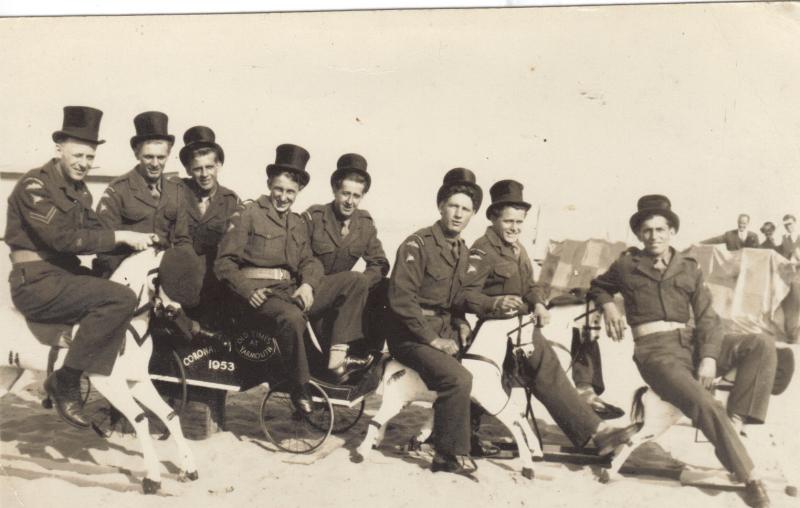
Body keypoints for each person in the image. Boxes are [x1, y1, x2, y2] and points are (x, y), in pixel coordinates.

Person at [588, 194, 775, 508]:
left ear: (672, 231)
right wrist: (608, 307)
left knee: (762, 344)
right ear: (638, 234)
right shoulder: (627, 264)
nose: (654, 236)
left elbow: (707, 318)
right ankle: (750, 476)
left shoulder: (688, 267)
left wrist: (710, 357)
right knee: (706, 402)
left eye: (661, 229)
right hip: (656, 352)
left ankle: (737, 422)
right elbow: (598, 284)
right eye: (647, 230)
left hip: (692, 342)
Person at [6, 106, 156, 428]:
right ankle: (67, 380)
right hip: (35, 281)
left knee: (127, 290)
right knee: (120, 299)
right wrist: (121, 236)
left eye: (89, 158)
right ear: (59, 148)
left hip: (63, 275)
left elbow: (99, 230)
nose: (83, 164)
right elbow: (62, 239)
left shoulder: (80, 191)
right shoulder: (35, 186)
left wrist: (142, 238)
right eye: (78, 155)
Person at [466, 180, 639, 459]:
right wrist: (494, 302)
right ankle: (598, 432)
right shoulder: (482, 250)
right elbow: (466, 295)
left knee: (526, 372)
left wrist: (538, 303)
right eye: (508, 221)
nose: (514, 228)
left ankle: (463, 428)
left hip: (519, 326)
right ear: (493, 218)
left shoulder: (518, 249)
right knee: (547, 366)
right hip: (494, 327)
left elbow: (531, 286)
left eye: (519, 222)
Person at [214, 144, 369, 414]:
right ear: (269, 184)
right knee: (292, 317)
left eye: (290, 192)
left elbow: (309, 261)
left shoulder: (297, 222)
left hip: (290, 291)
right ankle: (299, 386)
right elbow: (224, 263)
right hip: (258, 297)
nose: (283, 197)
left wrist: (308, 284)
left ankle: (336, 358)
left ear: (298, 192)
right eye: (279, 189)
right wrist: (247, 289)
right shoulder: (248, 214)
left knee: (355, 280)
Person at [387, 167, 508, 474]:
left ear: (473, 215)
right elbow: (402, 300)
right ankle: (447, 454)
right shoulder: (418, 244)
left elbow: (457, 298)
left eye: (466, 210)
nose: (458, 214)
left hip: (443, 330)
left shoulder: (462, 250)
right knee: (459, 378)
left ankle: (463, 436)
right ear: (441, 207)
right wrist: (432, 339)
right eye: (453, 206)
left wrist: (471, 317)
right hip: (410, 334)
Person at [155, 126, 241, 332]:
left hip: (214, 284)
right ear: (187, 170)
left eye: (209, 167)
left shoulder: (231, 200)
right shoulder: (175, 191)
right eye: (197, 168)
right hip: (179, 280)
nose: (204, 174)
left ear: (219, 165)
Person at [303, 153, 390, 354]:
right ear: (334, 189)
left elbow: (379, 262)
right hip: (315, 291)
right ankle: (339, 351)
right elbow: (301, 258)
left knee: (386, 286)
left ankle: (370, 355)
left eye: (356, 196)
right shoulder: (314, 217)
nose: (350, 201)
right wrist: (352, 283)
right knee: (354, 280)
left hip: (346, 296)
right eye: (345, 193)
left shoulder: (365, 224)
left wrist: (360, 285)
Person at [94, 111, 182, 276]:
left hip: (166, 272)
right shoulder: (117, 190)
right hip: (125, 273)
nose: (155, 164)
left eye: (161, 157)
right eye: (148, 157)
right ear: (136, 153)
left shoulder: (176, 191)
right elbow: (103, 245)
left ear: (168, 155)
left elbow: (182, 240)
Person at [779, 214, 799, 343]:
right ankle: (791, 336)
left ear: (795, 223)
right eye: (786, 225)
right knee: (789, 306)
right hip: (788, 277)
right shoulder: (783, 239)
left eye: (790, 224)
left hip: (799, 275)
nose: (788, 227)